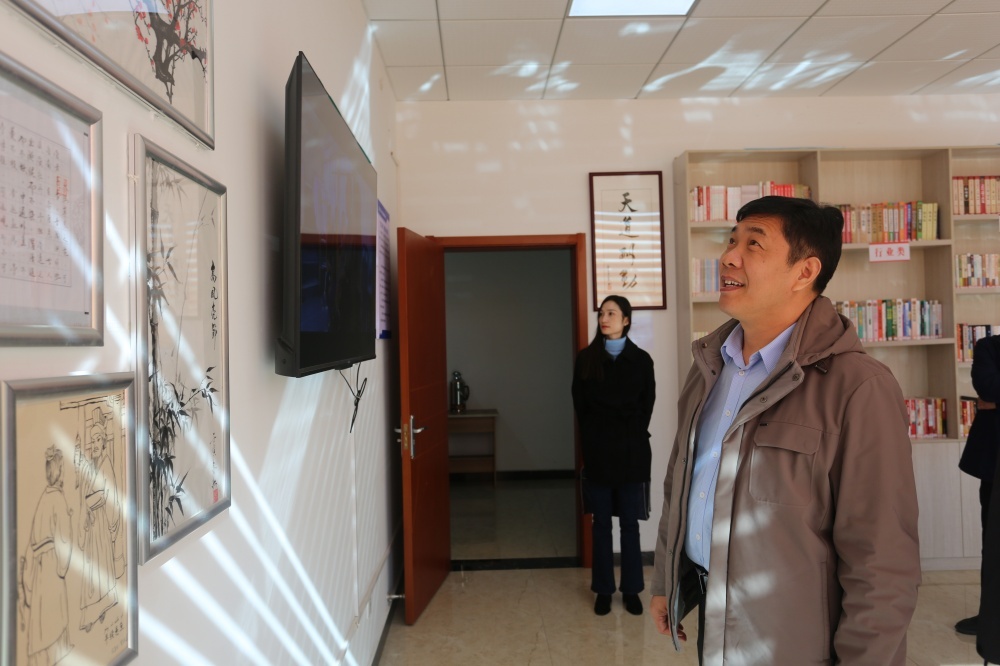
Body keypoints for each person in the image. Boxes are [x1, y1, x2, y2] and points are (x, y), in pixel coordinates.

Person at [650, 195, 920, 664]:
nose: (728, 257)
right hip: (716, 618)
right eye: (731, 241)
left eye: (753, 245)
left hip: (791, 641)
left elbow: (882, 560)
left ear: (804, 272)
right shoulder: (709, 366)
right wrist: (667, 580)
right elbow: (684, 481)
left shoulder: (859, 387)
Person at [572, 294, 655, 616]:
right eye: (601, 313)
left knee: (630, 525)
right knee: (601, 524)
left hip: (633, 454)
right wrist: (597, 438)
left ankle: (632, 590)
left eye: (611, 313)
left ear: (626, 320)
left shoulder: (641, 360)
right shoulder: (586, 359)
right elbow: (581, 407)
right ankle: (603, 590)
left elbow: (646, 406)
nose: (604, 319)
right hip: (598, 454)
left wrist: (626, 433)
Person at [956, 333, 1000, 636]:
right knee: (994, 543)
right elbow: (987, 386)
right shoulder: (989, 346)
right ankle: (991, 618)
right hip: (994, 465)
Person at [21, 445, 74, 665]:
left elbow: (31, 546)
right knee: (53, 620)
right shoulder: (58, 499)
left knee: (41, 624)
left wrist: (28, 581)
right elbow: (64, 539)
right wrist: (62, 567)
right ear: (59, 471)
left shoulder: (44, 498)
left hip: (39, 569)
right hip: (52, 567)